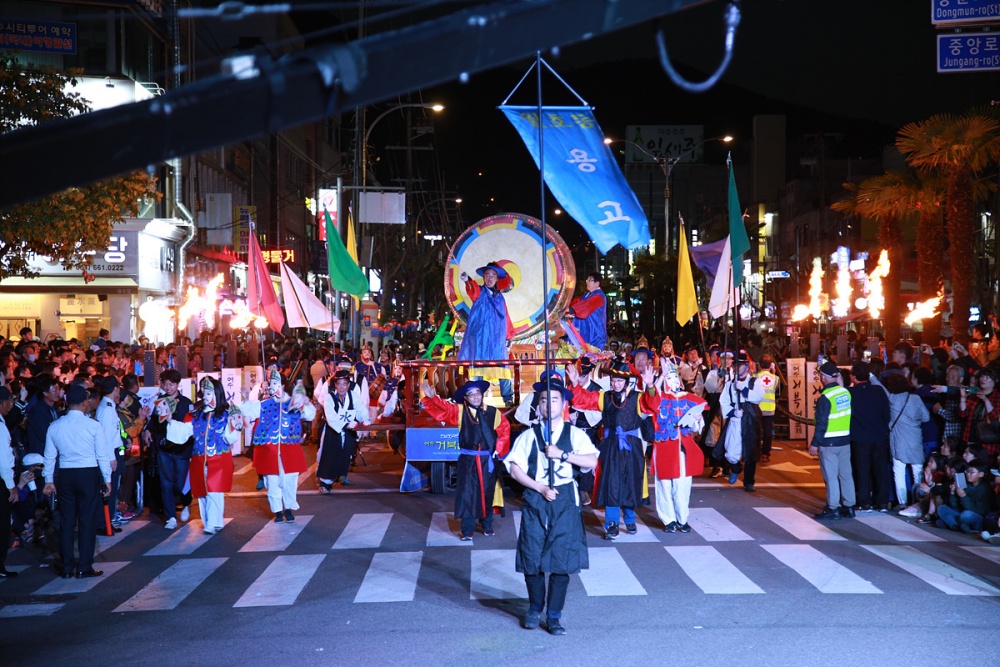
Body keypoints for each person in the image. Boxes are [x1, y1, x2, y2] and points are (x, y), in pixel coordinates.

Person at [504, 375, 598, 635]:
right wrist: (539, 488)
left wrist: (563, 454)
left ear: (563, 404)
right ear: (539, 405)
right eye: (544, 400)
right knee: (532, 555)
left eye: (554, 400)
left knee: (561, 558)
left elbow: (591, 461)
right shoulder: (529, 436)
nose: (549, 404)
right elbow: (514, 469)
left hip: (565, 497)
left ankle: (554, 615)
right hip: (537, 496)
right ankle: (535, 607)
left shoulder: (574, 434)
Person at [566, 360, 648, 539]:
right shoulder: (605, 397)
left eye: (619, 381)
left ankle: (630, 518)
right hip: (611, 446)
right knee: (612, 483)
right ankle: (612, 523)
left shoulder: (638, 397)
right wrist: (575, 383)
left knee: (630, 482)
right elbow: (582, 400)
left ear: (627, 382)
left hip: (631, 446)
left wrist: (650, 386)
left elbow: (653, 404)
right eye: (613, 380)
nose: (615, 384)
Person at [421, 377, 511, 540]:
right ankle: (467, 529)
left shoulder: (493, 412)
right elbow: (445, 409)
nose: (475, 396)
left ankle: (487, 524)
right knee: (468, 494)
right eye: (471, 394)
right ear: (465, 398)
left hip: (487, 461)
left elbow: (504, 429)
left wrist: (498, 450)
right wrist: (433, 398)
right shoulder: (461, 411)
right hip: (468, 461)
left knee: (488, 493)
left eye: (478, 393)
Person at [43, 384, 111, 578]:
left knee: (67, 521)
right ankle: (84, 566)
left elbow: (49, 457)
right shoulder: (93, 425)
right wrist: (107, 479)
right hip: (88, 474)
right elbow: (102, 455)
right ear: (84, 403)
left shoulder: (55, 426)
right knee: (87, 521)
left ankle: (66, 567)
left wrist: (48, 479)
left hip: (65, 475)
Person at [168, 378, 243, 534]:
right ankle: (212, 522)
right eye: (205, 393)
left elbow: (230, 438)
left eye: (209, 393)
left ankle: (212, 523)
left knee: (214, 490)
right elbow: (185, 431)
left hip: (219, 460)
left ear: (217, 394)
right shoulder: (198, 415)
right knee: (202, 492)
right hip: (199, 459)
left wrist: (233, 426)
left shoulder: (225, 414)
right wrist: (170, 421)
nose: (206, 396)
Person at [640, 359, 707, 531]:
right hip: (664, 447)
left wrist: (697, 419)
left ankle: (682, 519)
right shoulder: (661, 398)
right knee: (664, 485)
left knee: (682, 486)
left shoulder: (690, 399)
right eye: (669, 378)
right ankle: (668, 520)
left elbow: (697, 426)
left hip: (683, 448)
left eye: (675, 377)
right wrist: (653, 382)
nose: (673, 381)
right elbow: (651, 401)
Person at [243, 368, 316, 523]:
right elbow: (249, 411)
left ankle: (288, 508)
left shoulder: (293, 402)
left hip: (290, 447)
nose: (272, 386)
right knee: (272, 479)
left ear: (283, 385)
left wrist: (305, 403)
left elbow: (310, 415)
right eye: (271, 384)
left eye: (276, 383)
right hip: (270, 448)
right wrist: (246, 400)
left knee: (290, 478)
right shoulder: (265, 403)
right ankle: (277, 510)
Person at [457, 261, 515, 406]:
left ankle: (508, 399)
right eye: (487, 275)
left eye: (493, 275)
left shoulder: (500, 298)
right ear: (484, 277)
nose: (489, 278)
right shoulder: (479, 292)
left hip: (496, 339)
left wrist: (508, 336)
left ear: (497, 279)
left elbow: (505, 317)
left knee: (503, 367)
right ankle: (475, 399)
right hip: (480, 338)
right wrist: (467, 280)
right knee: (478, 369)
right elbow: (472, 289)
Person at [143, 369, 193, 529]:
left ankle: (186, 502)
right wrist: (148, 430)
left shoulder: (186, 403)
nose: (168, 387)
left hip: (181, 449)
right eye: (165, 384)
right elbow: (153, 421)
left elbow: (190, 426)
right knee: (166, 483)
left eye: (171, 384)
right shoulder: (159, 401)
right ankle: (170, 517)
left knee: (180, 482)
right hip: (163, 447)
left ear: (177, 384)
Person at [810, 361, 856, 520]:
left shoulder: (825, 397)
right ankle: (849, 506)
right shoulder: (846, 393)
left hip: (828, 443)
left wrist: (814, 443)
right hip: (845, 440)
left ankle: (833, 508)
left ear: (823, 377)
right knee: (846, 475)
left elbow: (821, 423)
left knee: (831, 477)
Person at [716, 353, 764, 491]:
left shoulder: (755, 382)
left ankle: (749, 482)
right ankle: (736, 468)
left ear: (747, 367)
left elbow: (758, 397)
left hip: (751, 418)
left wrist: (743, 388)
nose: (739, 368)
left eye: (742, 365)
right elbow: (724, 400)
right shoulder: (730, 384)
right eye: (736, 366)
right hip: (736, 418)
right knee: (731, 452)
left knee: (750, 451)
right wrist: (733, 412)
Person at [883, 372, 930, 510]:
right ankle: (919, 502)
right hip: (915, 440)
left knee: (899, 473)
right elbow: (926, 417)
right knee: (918, 472)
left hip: (898, 441)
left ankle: (902, 502)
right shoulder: (915, 398)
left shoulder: (891, 399)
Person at [848, 362, 891, 512]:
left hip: (860, 437)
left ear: (853, 377)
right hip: (879, 435)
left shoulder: (851, 393)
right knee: (880, 469)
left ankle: (864, 501)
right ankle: (882, 501)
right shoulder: (878, 390)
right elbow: (887, 413)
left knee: (862, 470)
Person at [317, 369, 368, 490]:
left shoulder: (353, 396)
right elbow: (331, 417)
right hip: (333, 432)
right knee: (329, 456)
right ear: (335, 385)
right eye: (339, 384)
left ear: (348, 385)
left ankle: (341, 476)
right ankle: (325, 483)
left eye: (344, 384)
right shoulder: (329, 398)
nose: (341, 387)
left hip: (348, 433)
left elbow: (360, 409)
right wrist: (345, 425)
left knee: (345, 455)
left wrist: (365, 419)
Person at [95, 376, 125, 533]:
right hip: (110, 453)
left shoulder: (108, 406)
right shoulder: (107, 409)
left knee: (111, 488)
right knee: (108, 489)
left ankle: (107, 522)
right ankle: (103, 523)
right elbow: (106, 437)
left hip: (111, 452)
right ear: (115, 389)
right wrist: (111, 458)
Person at [936, 458, 994, 533]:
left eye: (971, 472)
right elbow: (956, 507)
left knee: (966, 515)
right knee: (942, 508)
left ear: (981, 474)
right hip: (962, 513)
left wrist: (963, 496)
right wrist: (953, 493)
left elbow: (975, 510)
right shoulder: (966, 485)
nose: (968, 474)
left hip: (977, 518)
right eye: (967, 471)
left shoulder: (985, 489)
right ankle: (956, 526)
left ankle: (955, 524)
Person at [0, 386, 18, 577]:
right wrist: (11, 485)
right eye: (9, 401)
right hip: (2, 480)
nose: (11, 405)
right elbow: (4, 460)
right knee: (3, 523)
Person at [568, 272, 607, 350]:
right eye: (587, 280)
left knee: (590, 356)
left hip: (594, 335)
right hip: (583, 333)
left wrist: (570, 309)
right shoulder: (586, 295)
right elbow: (576, 302)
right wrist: (564, 305)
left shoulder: (599, 296)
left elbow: (586, 306)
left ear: (597, 283)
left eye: (590, 280)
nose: (587, 282)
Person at [755, 354, 780, 463]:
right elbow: (775, 389)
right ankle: (765, 454)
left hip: (757, 408)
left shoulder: (755, 377)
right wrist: (773, 373)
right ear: (771, 365)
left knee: (756, 431)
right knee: (767, 432)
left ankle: (755, 453)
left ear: (759, 365)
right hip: (769, 409)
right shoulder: (775, 378)